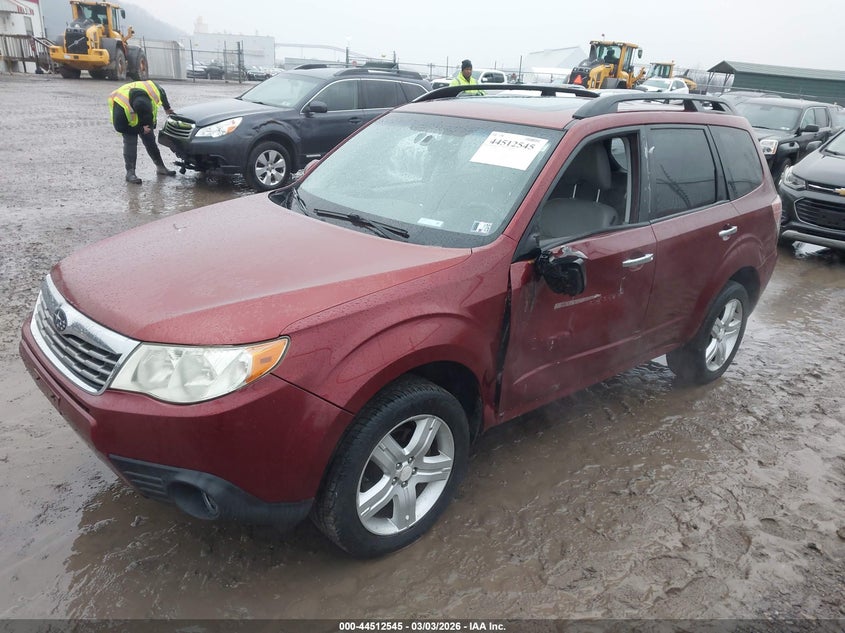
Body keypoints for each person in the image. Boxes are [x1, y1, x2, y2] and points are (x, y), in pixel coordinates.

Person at [108, 80, 176, 184]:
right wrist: (140, 129)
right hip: (128, 121)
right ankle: (130, 173)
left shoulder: (152, 91)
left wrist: (167, 107)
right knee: (130, 142)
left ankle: (161, 168)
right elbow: (120, 127)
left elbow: (161, 92)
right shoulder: (120, 106)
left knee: (150, 141)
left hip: (145, 116)